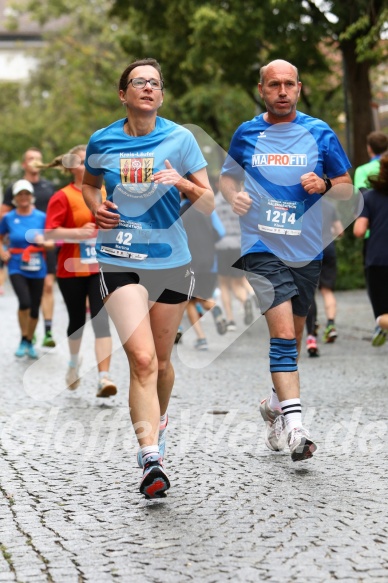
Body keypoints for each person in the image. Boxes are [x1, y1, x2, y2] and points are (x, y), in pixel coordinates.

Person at [82, 58, 214, 498]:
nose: (147, 88)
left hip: (171, 259)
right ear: (123, 94)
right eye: (138, 82)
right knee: (140, 360)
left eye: (155, 83)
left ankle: (158, 418)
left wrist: (183, 182)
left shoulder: (181, 139)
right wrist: (94, 206)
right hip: (119, 257)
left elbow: (210, 202)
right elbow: (89, 183)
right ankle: (151, 458)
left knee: (160, 363)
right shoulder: (102, 140)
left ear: (161, 94)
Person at [220, 59, 352, 462]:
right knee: (281, 335)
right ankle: (297, 429)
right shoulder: (248, 133)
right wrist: (233, 196)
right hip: (261, 245)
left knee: (293, 337)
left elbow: (347, 188)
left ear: (299, 88)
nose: (281, 90)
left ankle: (275, 409)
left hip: (306, 246)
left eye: (288, 84)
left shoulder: (319, 132)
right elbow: (228, 176)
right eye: (273, 84)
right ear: (261, 89)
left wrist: (327, 183)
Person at [44, 145, 117, 398]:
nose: (87, 165)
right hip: (71, 268)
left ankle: (103, 377)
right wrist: (78, 233)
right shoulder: (62, 196)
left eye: (91, 160)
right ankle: (74, 363)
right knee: (77, 321)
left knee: (101, 320)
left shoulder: (108, 191)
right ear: (71, 167)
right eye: (82, 161)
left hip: (102, 266)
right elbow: (49, 233)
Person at [1, 147, 57, 348]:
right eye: (30, 158)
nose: (34, 161)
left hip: (43, 242)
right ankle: (28, 335)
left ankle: (47, 331)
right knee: (26, 299)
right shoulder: (13, 189)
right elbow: (3, 216)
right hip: (20, 246)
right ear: (24, 163)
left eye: (38, 158)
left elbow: (56, 217)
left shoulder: (49, 187)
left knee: (48, 287)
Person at [179, 191, 226, 350]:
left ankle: (201, 338)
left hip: (189, 262)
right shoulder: (208, 210)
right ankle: (214, 308)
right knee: (202, 296)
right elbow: (221, 233)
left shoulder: (178, 211)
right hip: (210, 261)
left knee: (189, 301)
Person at [354, 151, 388, 347]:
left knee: (381, 314)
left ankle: (381, 325)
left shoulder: (370, 197)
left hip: (378, 259)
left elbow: (359, 230)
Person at [305, 198, 344, 356]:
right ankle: (330, 325)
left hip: (309, 250)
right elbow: (340, 231)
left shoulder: (303, 205)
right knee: (327, 290)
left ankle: (311, 333)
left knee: (310, 292)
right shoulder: (329, 205)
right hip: (328, 249)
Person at [214, 187, 254, 331]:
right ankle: (246, 298)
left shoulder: (214, 202)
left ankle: (230, 320)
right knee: (238, 281)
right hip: (239, 244)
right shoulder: (241, 201)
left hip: (221, 246)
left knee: (224, 284)